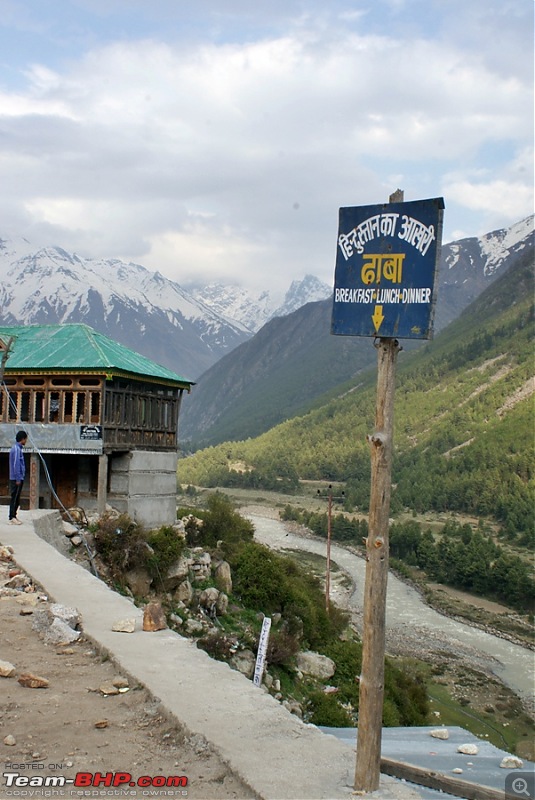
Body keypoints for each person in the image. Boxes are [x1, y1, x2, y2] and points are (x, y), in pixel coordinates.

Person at [9, 430, 28, 525]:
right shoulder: (16, 449)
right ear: (22, 439)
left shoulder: (19, 449)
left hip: (19, 477)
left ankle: (14, 516)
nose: (26, 441)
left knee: (17, 498)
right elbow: (16, 464)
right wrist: (17, 478)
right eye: (26, 439)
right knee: (14, 498)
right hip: (16, 478)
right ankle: (11, 517)